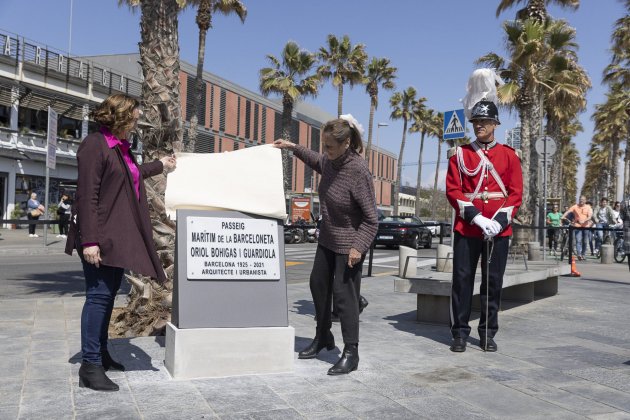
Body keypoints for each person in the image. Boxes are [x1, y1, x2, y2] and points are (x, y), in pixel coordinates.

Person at [65, 93, 176, 391]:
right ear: (121, 115)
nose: (138, 120)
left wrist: (160, 164)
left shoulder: (120, 148)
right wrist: (89, 241)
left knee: (107, 297)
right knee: (98, 298)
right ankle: (89, 367)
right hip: (98, 238)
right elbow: (87, 195)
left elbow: (131, 176)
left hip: (114, 237)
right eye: (135, 116)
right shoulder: (94, 145)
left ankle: (100, 355)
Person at [273, 114, 378, 375]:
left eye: (330, 146)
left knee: (345, 298)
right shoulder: (330, 161)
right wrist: (292, 147)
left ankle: (351, 352)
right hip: (328, 239)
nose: (326, 151)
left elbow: (371, 219)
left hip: (350, 245)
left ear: (346, 144)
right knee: (317, 284)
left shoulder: (357, 170)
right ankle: (323, 337)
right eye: (325, 146)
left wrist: (358, 247)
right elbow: (315, 159)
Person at [446, 68, 523, 353]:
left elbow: (515, 193)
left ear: (495, 124)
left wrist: (499, 221)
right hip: (468, 228)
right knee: (462, 281)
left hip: (498, 230)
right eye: (476, 121)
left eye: (484, 121)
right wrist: (476, 217)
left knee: (492, 283)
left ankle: (488, 332)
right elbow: (453, 190)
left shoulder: (509, 156)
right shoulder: (461, 155)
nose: (479, 126)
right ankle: (459, 333)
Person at [562, 196, 593, 261]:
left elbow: (590, 216)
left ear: (585, 200)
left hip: (585, 226)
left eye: (583, 200)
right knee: (578, 240)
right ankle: (579, 254)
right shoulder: (575, 206)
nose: (581, 201)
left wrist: (585, 220)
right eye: (580, 199)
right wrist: (562, 216)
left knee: (584, 241)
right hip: (577, 225)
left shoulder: (588, 207)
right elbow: (568, 211)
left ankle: (583, 254)